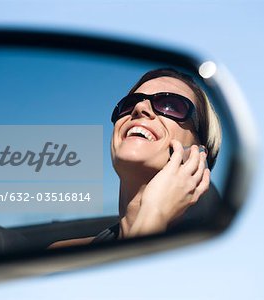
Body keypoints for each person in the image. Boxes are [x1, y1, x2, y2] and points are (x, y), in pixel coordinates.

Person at [49, 68, 221, 248]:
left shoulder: (210, 254)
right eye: (129, 104)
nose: (140, 108)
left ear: (199, 154)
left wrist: (155, 213)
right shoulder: (60, 254)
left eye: (170, 105)